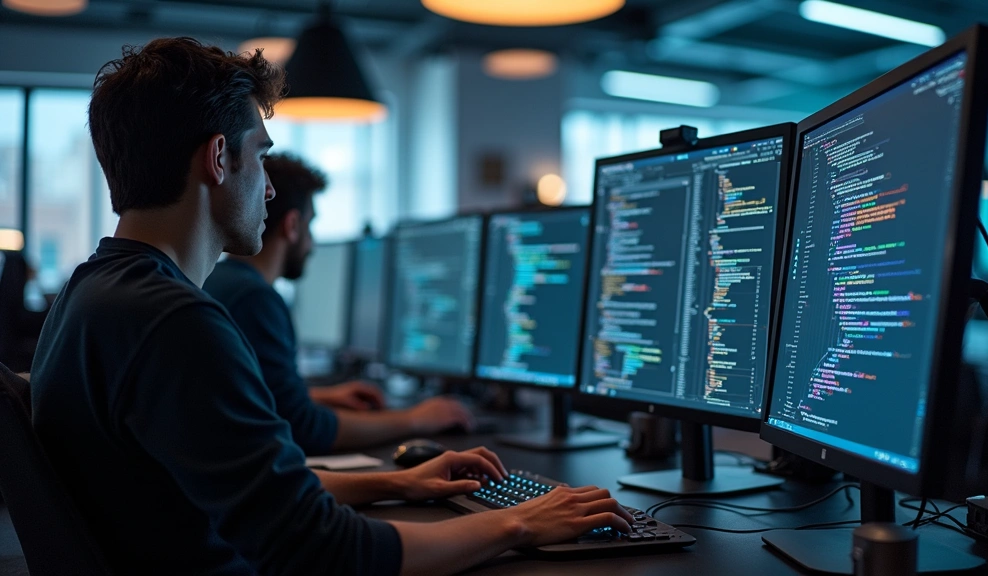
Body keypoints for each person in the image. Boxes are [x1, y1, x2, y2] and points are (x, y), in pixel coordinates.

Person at [29, 37, 631, 576]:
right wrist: (520, 522)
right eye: (260, 156)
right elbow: (322, 551)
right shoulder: (174, 323)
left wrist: (398, 482)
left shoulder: (92, 294)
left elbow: (247, 491)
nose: (268, 187)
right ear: (219, 159)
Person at [204, 153, 472, 455]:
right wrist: (415, 420)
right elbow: (303, 428)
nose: (312, 245)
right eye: (311, 225)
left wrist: (317, 396)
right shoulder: (255, 299)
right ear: (292, 225)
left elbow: (253, 398)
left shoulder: (220, 281)